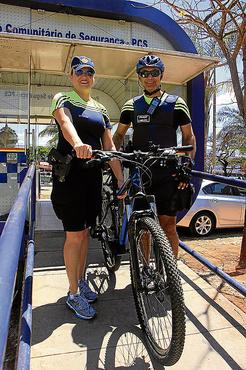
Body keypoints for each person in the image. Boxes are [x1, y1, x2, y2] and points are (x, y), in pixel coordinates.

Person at [50, 56, 124, 320]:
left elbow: (110, 146)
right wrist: (79, 143)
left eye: (90, 72)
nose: (85, 75)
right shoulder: (63, 98)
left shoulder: (101, 109)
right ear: (71, 76)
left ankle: (80, 282)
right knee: (74, 236)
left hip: (92, 179)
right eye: (79, 71)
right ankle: (72, 294)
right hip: (70, 178)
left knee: (84, 236)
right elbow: (66, 123)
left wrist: (120, 179)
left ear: (94, 78)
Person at [113, 54, 196, 258]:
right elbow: (118, 135)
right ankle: (146, 269)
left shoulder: (177, 103)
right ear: (139, 78)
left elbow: (189, 136)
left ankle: (171, 274)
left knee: (169, 226)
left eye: (154, 73)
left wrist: (187, 165)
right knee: (144, 225)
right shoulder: (131, 105)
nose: (149, 77)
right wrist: (113, 159)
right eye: (144, 73)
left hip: (168, 172)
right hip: (140, 173)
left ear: (161, 75)